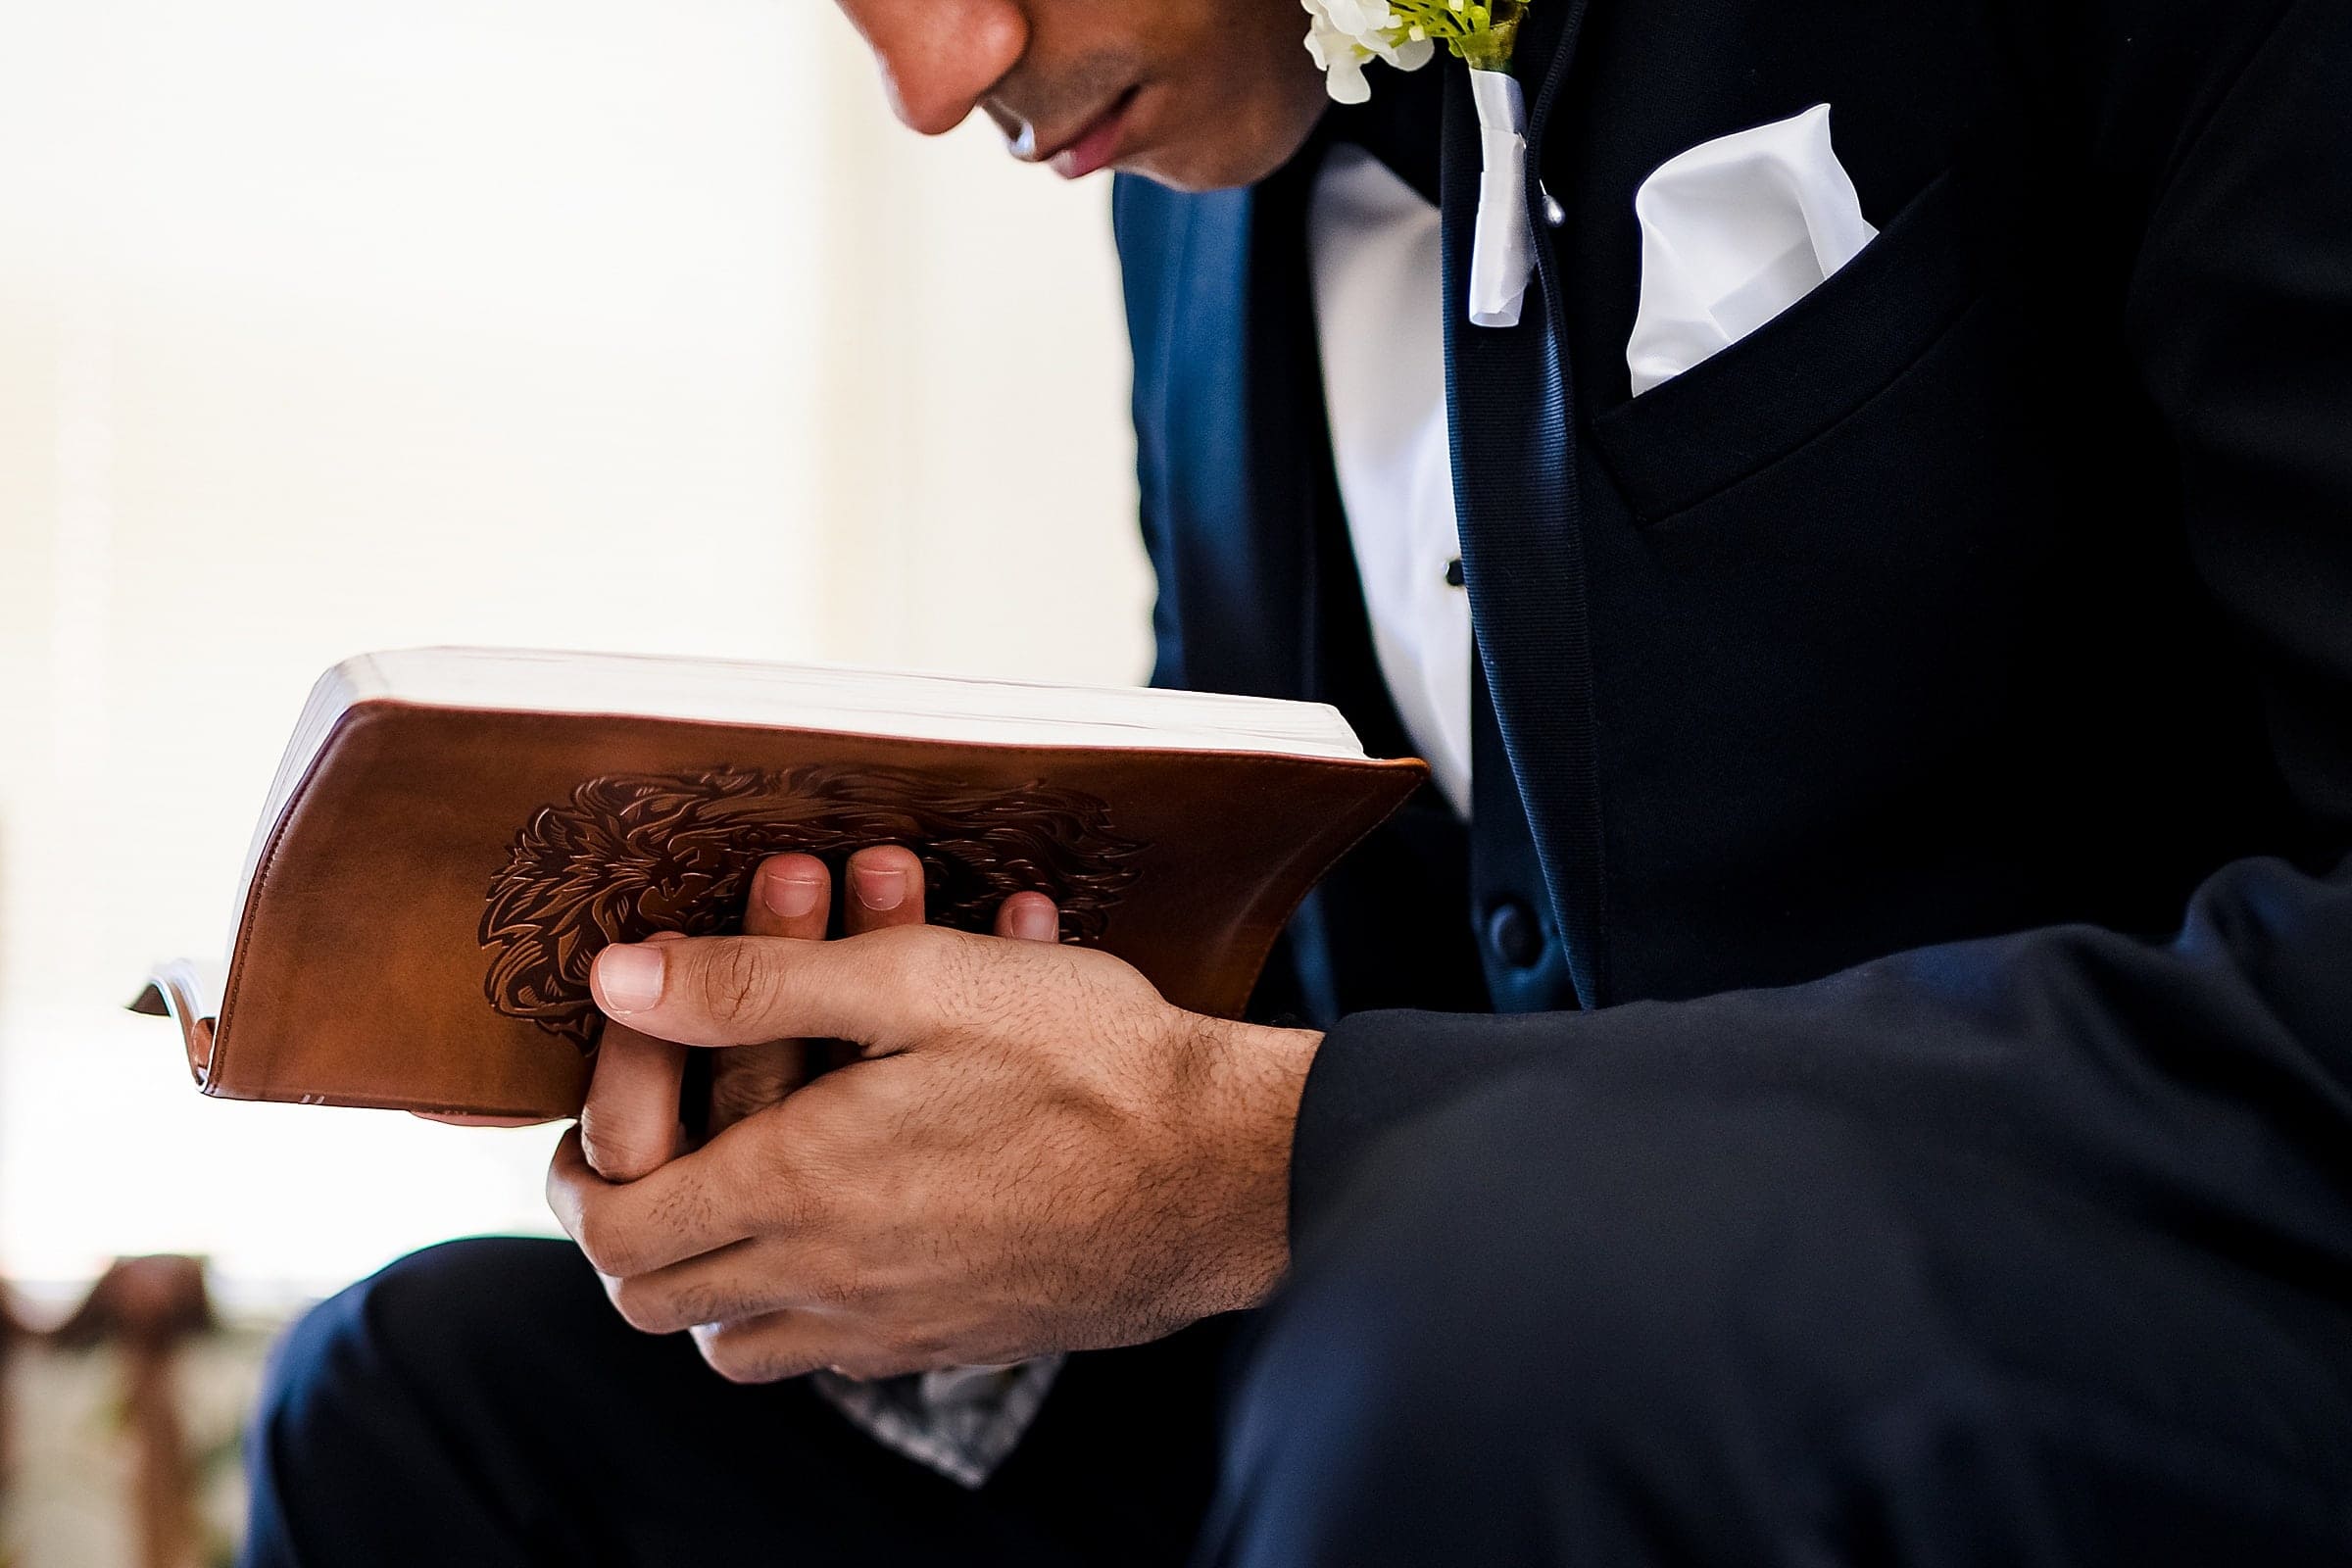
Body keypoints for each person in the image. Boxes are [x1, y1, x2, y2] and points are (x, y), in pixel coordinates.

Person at [242, 0, 2352, 1562]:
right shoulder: (1187, 180)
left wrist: (1280, 1153)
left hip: (2069, 1335)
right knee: (420, 1395)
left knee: (1474, 1335)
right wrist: (921, 1118)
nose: (938, 70)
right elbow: (1321, 944)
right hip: (1402, 1352)